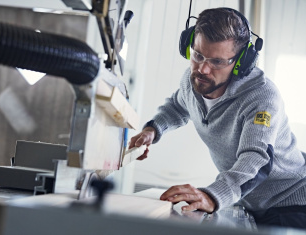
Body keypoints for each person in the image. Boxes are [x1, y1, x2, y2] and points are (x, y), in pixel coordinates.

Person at [129, 8, 306, 229]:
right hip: (249, 202)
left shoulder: (261, 97)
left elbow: (256, 158)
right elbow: (178, 105)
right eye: (198, 55)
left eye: (217, 62)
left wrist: (212, 196)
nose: (202, 69)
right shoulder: (194, 80)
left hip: (291, 203)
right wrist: (152, 131)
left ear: (241, 62)